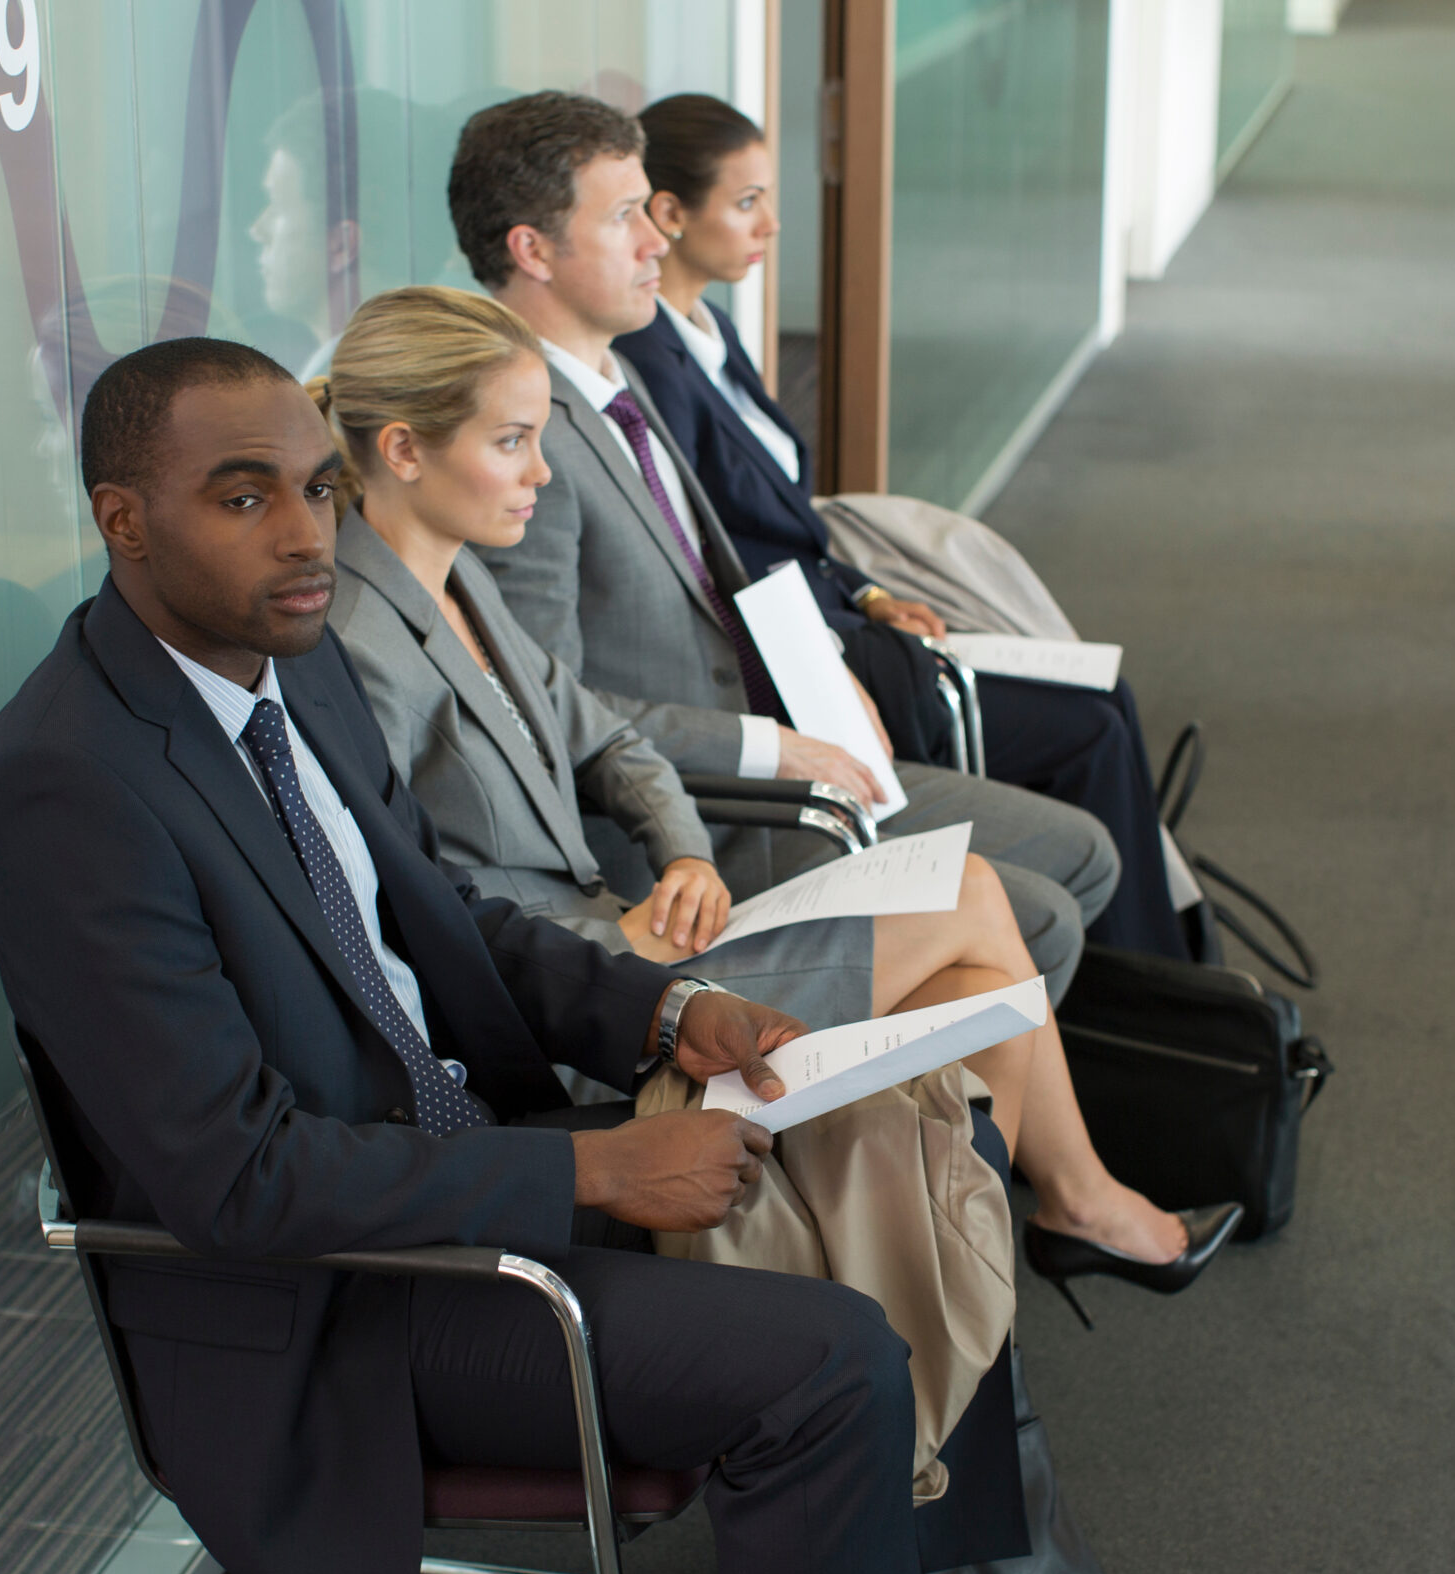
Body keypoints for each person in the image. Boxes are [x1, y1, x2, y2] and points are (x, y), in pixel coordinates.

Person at [0, 336, 949, 1574]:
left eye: (318, 487)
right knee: (831, 1366)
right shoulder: (70, 784)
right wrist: (589, 1168)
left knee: (883, 1134)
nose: (308, 535)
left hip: (466, 1159)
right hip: (341, 1300)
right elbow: (235, 1176)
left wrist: (664, 1012)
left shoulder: (288, 666)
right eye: (245, 497)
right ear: (122, 520)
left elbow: (435, 920)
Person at [315, 283, 1223, 1274]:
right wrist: (607, 937)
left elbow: (611, 745)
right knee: (970, 901)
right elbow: (412, 918)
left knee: (977, 981)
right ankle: (1038, 1236)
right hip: (575, 999)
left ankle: (968, 1272)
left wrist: (686, 855)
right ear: (403, 451)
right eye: (511, 444)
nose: (538, 472)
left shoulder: (461, 580)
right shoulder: (356, 646)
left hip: (637, 930)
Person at [447, 92, 1124, 1005]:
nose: (656, 239)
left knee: (1083, 852)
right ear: (532, 249)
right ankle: (946, 1140)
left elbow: (721, 582)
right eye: (623, 217)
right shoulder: (524, 436)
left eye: (651, 207)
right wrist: (767, 747)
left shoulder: (617, 377)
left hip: (787, 744)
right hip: (695, 819)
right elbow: (546, 703)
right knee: (1035, 910)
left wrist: (827, 677)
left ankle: (961, 1125)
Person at [618, 92, 1187, 960]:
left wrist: (875, 591)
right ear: (669, 213)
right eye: (746, 202)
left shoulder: (708, 329)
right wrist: (850, 630)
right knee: (1094, 730)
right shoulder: (648, 363)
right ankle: (1159, 1000)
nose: (772, 221)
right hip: (807, 657)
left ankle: (1175, 982)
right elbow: (737, 558)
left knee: (1107, 696)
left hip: (842, 613)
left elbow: (788, 519)